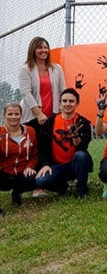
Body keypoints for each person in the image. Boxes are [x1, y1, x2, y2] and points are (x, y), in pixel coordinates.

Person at [18, 36, 66, 198]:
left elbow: (62, 91)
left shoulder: (56, 68)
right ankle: (37, 188)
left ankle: (53, 181)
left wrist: (61, 113)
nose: (43, 50)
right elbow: (26, 92)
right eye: (40, 48)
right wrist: (38, 113)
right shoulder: (26, 69)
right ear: (33, 50)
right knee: (37, 149)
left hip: (52, 115)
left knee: (51, 148)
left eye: (46, 47)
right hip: (32, 116)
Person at [35, 88, 93, 198]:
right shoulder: (50, 122)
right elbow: (41, 147)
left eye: (71, 101)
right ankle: (62, 186)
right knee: (40, 181)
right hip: (56, 165)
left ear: (77, 104)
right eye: (64, 101)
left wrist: (75, 136)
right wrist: (45, 165)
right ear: (60, 103)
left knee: (81, 156)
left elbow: (82, 147)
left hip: (75, 164)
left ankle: (81, 189)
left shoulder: (83, 123)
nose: (67, 104)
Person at [0, 103, 38, 214]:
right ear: (4, 115)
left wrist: (30, 166)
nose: (13, 117)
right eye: (10, 114)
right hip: (4, 172)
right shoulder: (0, 133)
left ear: (21, 115)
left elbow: (34, 154)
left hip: (22, 172)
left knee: (34, 178)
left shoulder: (30, 131)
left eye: (17, 114)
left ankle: (17, 193)